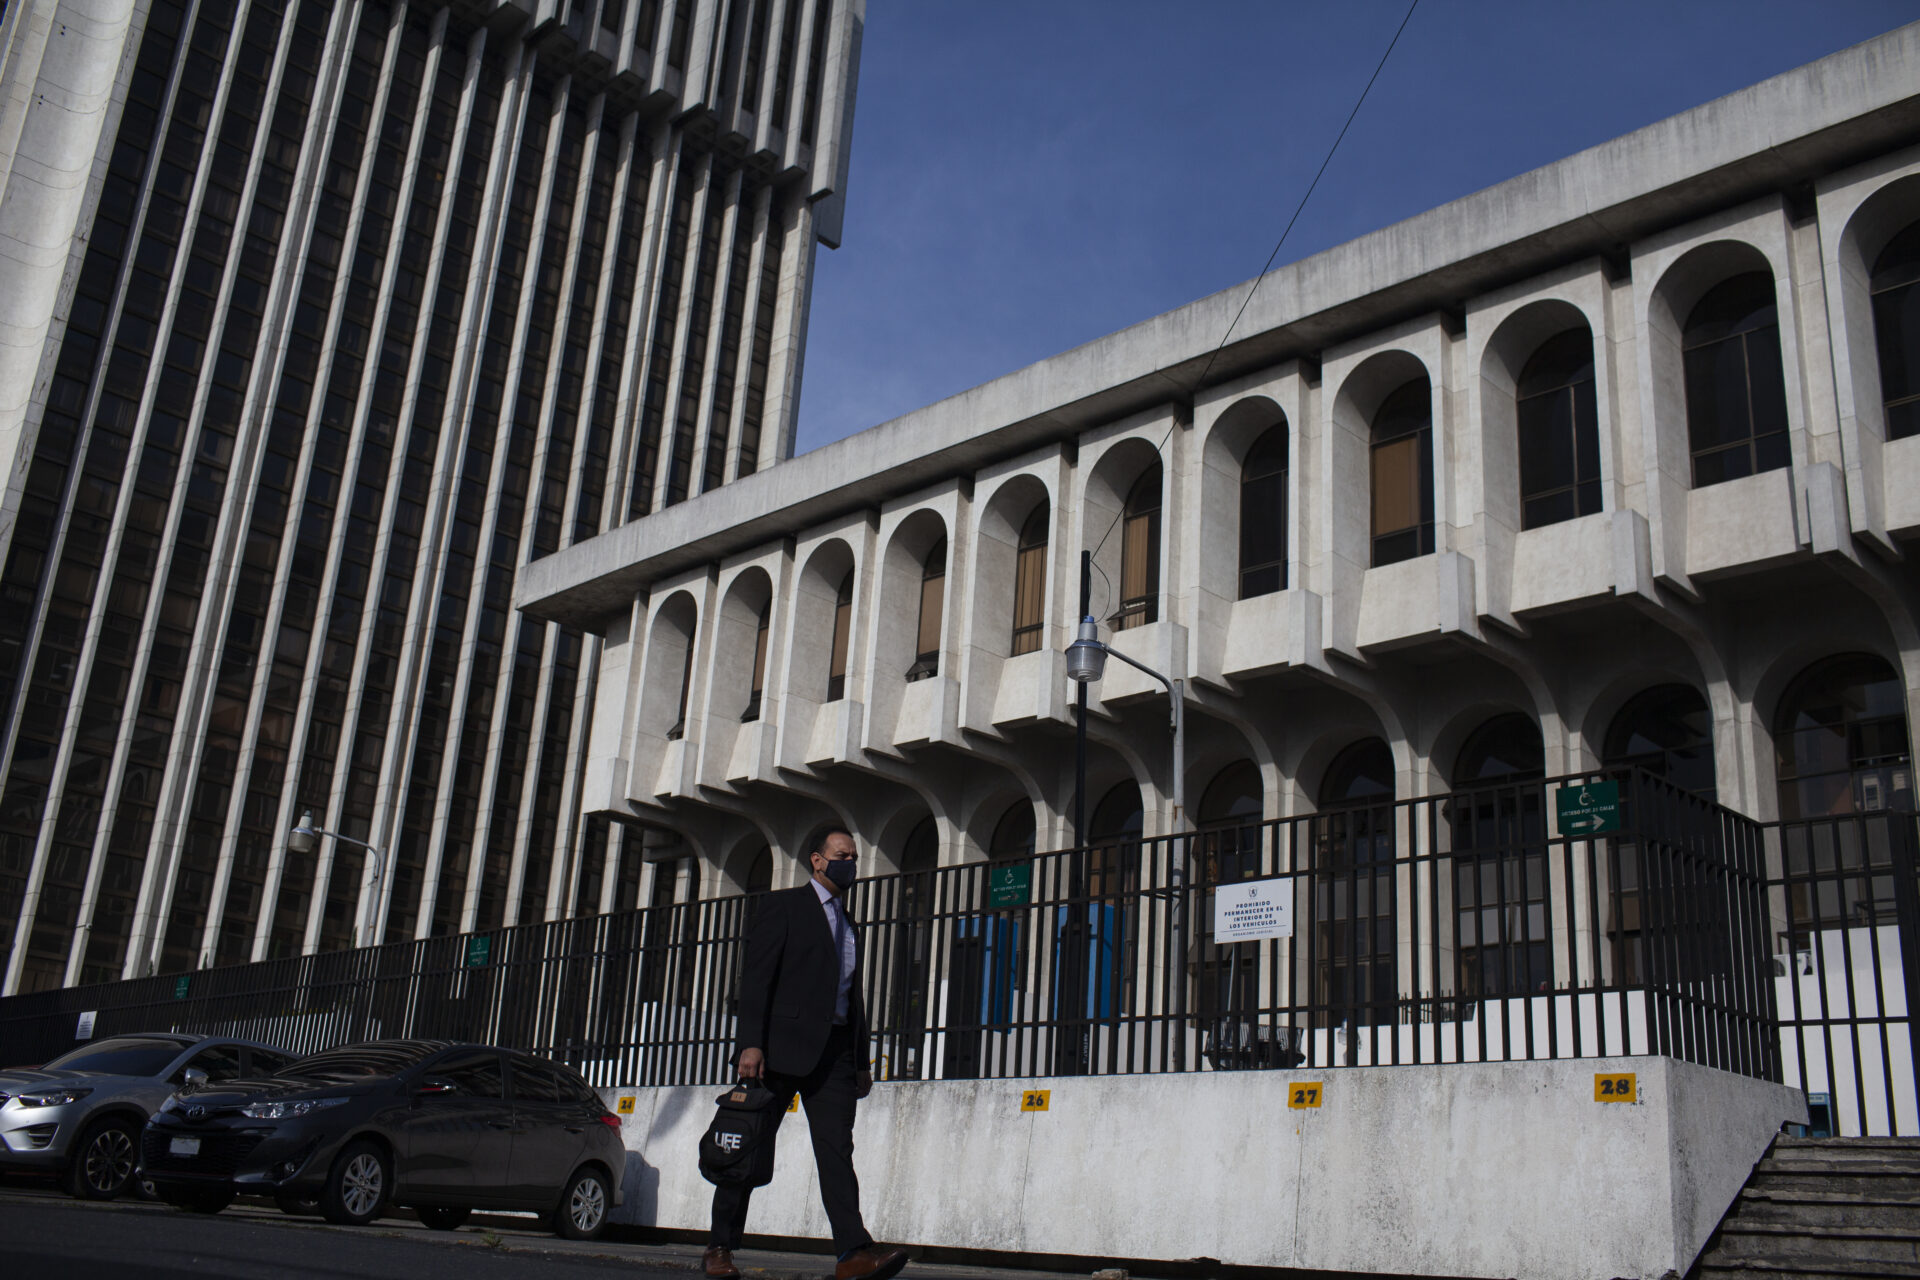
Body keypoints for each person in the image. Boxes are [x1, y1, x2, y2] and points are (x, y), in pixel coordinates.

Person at [705, 828, 909, 1280]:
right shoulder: (784, 907)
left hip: (834, 1055)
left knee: (837, 1150)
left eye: (854, 856)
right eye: (842, 855)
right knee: (749, 1148)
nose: (850, 863)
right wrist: (750, 1044)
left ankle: (853, 1252)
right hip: (778, 1051)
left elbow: (851, 998)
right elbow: (757, 980)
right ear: (817, 860)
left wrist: (860, 1061)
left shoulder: (851, 923)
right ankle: (720, 1247)